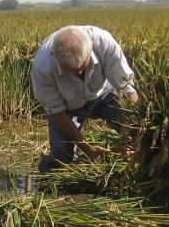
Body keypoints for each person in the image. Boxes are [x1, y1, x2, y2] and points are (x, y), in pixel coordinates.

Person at [30, 25, 138, 173]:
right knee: (62, 157)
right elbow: (57, 112)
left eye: (82, 67)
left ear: (90, 51)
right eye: (71, 71)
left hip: (105, 94)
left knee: (139, 137)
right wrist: (88, 150)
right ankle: (50, 172)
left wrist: (127, 138)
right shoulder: (43, 66)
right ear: (56, 57)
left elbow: (128, 92)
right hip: (68, 107)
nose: (79, 73)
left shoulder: (104, 43)